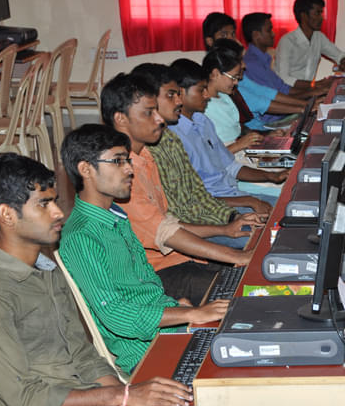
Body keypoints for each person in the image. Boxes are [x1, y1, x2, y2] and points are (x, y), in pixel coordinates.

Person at [0, 153, 194, 406]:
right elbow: (26, 400)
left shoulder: (46, 270)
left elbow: (83, 354)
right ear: (7, 215)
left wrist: (129, 402)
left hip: (86, 403)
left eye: (55, 201)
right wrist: (122, 397)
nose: (58, 212)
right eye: (44, 204)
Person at [59, 125, 231, 375]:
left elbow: (145, 285)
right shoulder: (81, 236)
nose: (129, 169)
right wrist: (191, 312)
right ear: (85, 169)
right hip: (146, 353)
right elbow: (117, 315)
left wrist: (177, 308)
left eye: (127, 160)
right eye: (118, 161)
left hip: (168, 333)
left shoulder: (116, 217)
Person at [99, 73, 253, 274]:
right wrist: (235, 255)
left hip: (178, 257)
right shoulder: (121, 172)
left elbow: (169, 221)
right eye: (148, 113)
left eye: (157, 110)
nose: (159, 119)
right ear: (120, 119)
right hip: (155, 272)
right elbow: (164, 232)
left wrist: (225, 230)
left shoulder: (145, 155)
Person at [128, 63, 262, 250]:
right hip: (190, 232)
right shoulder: (142, 154)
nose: (178, 101)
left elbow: (198, 195)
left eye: (177, 94)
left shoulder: (170, 139)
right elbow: (176, 216)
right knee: (262, 241)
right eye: (171, 95)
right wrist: (226, 227)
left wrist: (232, 217)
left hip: (209, 217)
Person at [172, 57, 288, 203]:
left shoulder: (203, 121)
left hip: (232, 190)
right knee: (287, 201)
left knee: (292, 193)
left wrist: (272, 176)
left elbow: (230, 165)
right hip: (217, 203)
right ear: (181, 93)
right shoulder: (174, 136)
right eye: (201, 90)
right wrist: (249, 202)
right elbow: (195, 198)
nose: (207, 95)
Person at [241, 12, 328, 97]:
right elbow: (273, 98)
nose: (273, 34)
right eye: (269, 30)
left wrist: (316, 89)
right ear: (256, 35)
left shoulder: (264, 59)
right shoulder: (252, 64)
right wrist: (311, 95)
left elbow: (284, 88)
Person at [275, 0, 345, 85]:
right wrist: (315, 85)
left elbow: (339, 55)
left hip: (309, 92)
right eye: (317, 13)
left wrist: (344, 61)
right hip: (287, 93)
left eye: (321, 13)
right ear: (303, 16)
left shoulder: (318, 37)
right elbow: (283, 79)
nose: (321, 18)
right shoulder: (287, 41)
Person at [201, 12, 255, 130]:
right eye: (224, 35)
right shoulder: (220, 85)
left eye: (233, 34)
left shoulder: (224, 91)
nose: (231, 39)